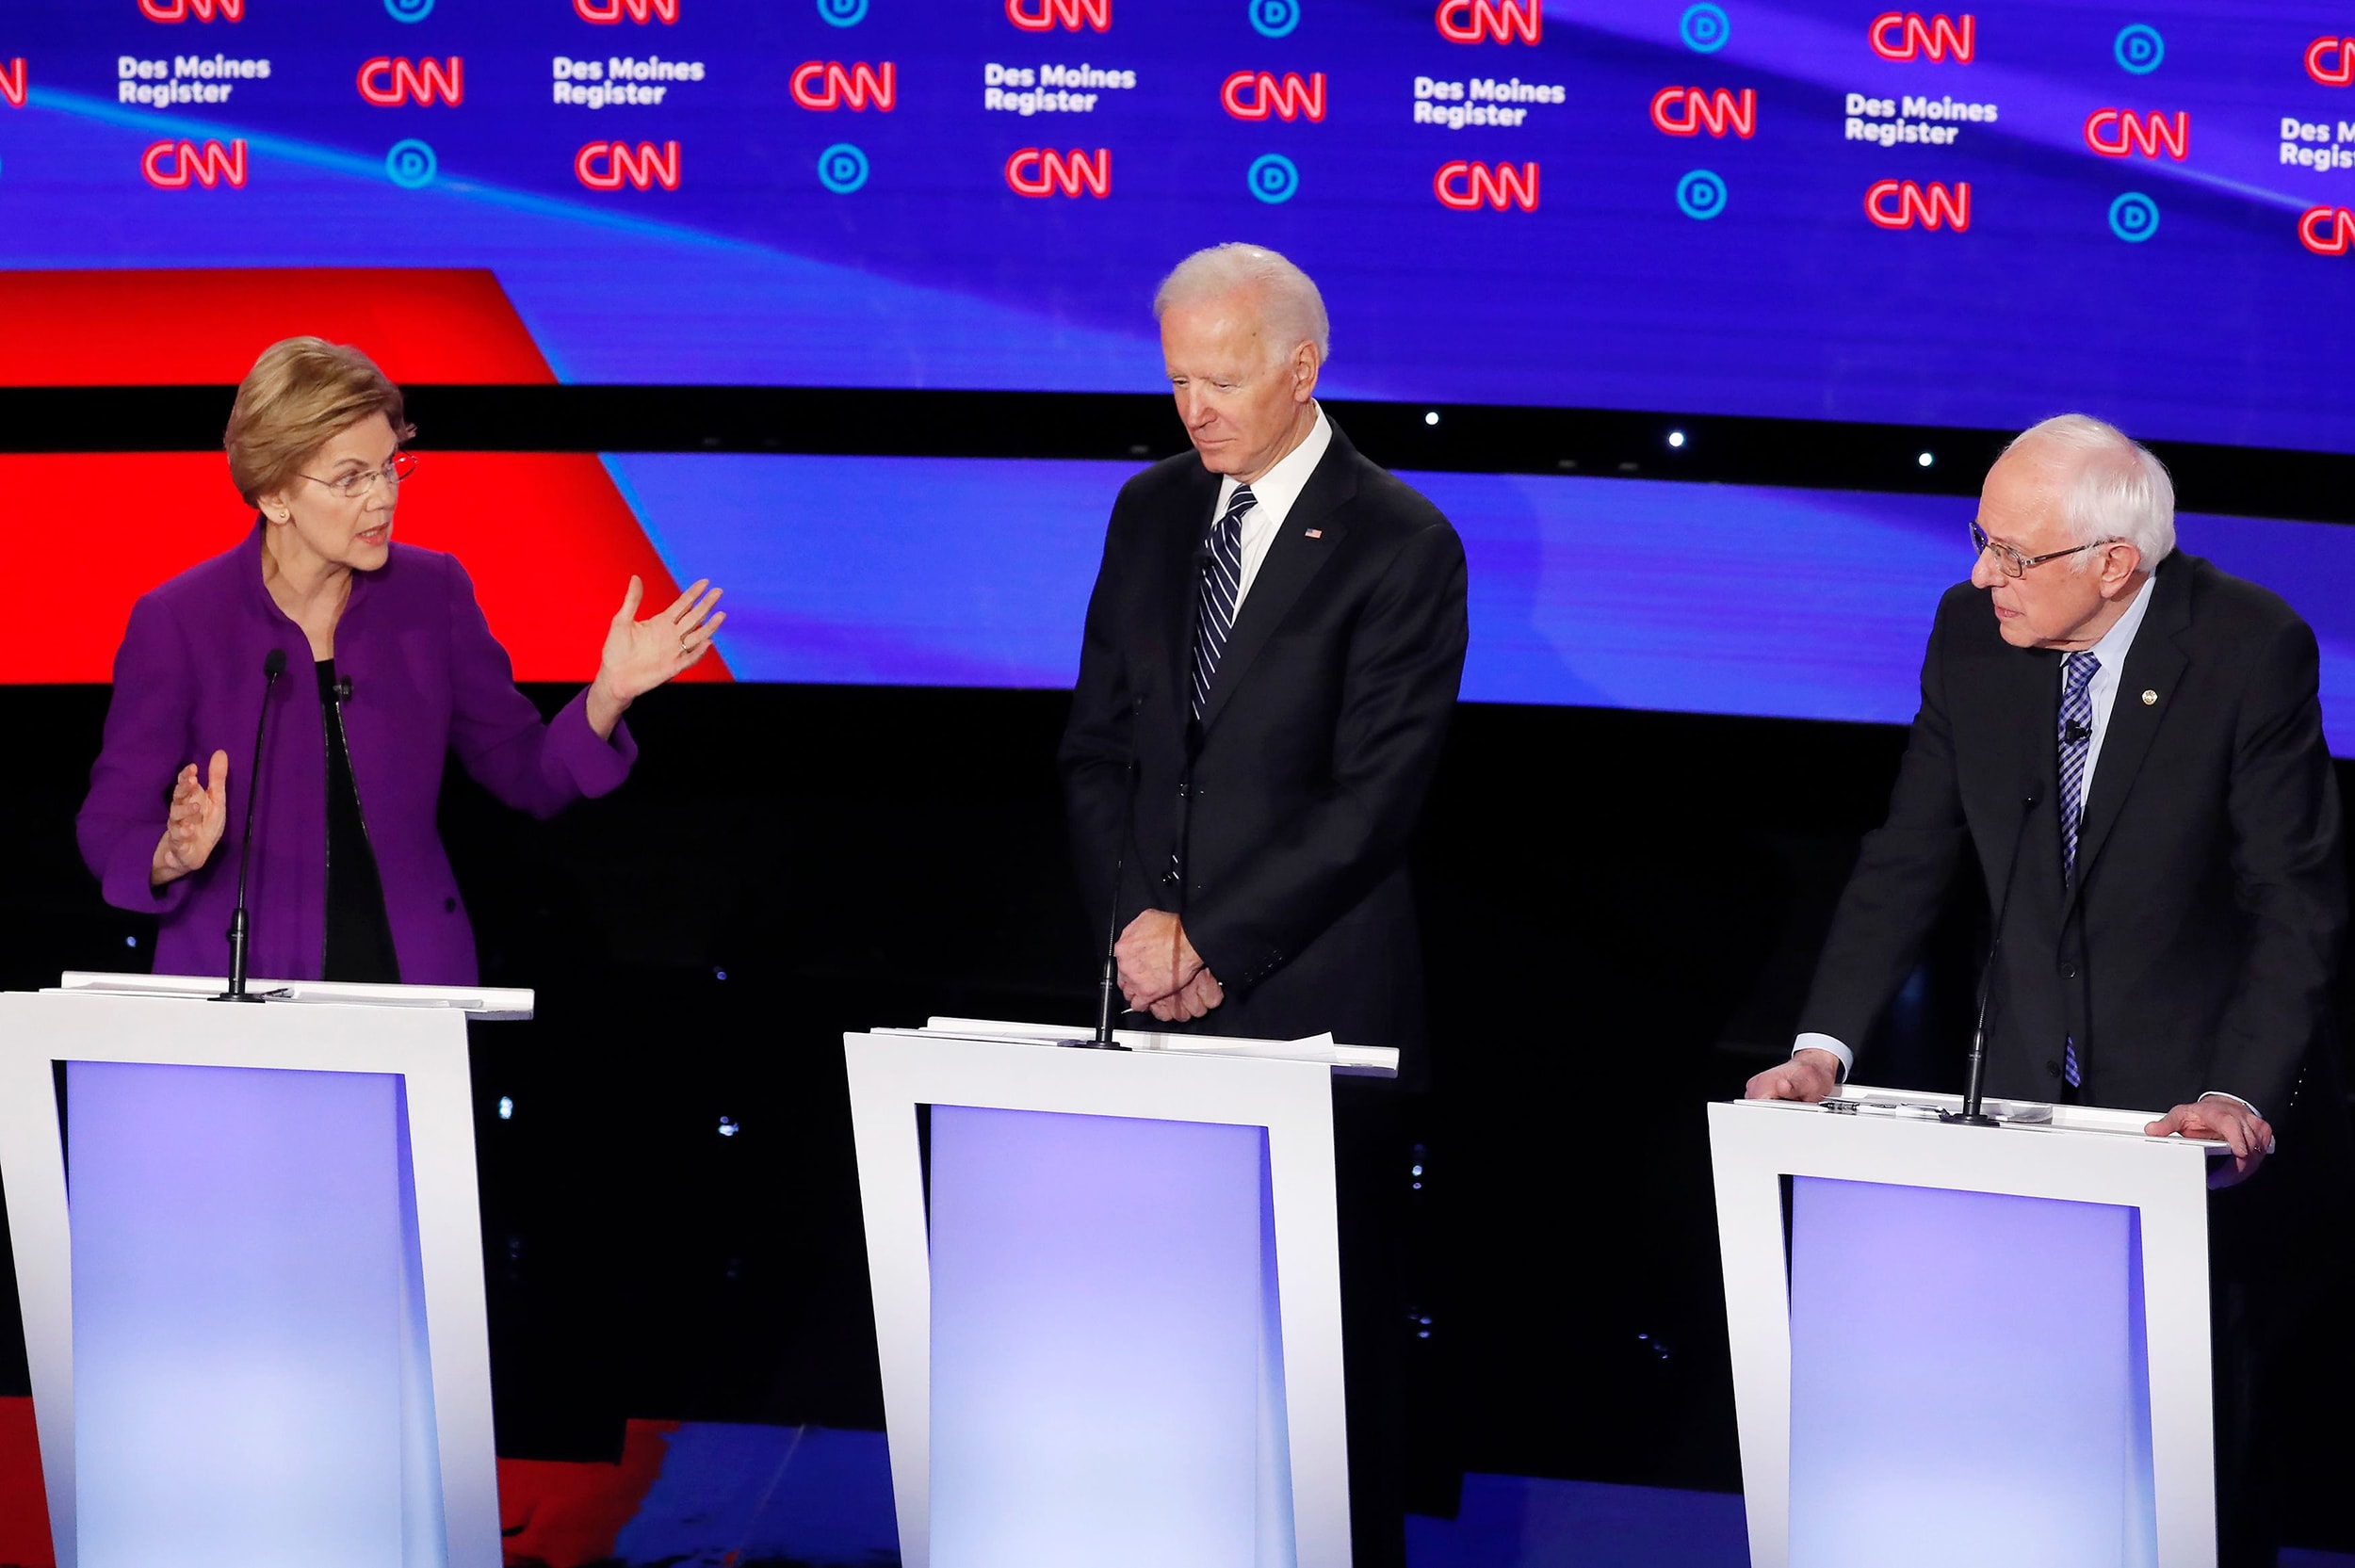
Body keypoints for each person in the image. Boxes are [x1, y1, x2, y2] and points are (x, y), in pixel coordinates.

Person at [1747, 413, 2347, 1566]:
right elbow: (1907, 856)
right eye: (1979, 539)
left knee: (2190, 1464)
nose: (1982, 575)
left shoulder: (2245, 645)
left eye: (2012, 553)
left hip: (2195, 1120)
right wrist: (1825, 1045)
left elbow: (2294, 903)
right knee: (2025, 1438)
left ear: (2113, 562)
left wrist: (2235, 1095)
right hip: (2023, 1104)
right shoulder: (1971, 635)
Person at [1058, 243, 1469, 1568]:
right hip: (1146, 996)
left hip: (1310, 1007)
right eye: (1177, 379)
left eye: (1222, 379)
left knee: (1320, 1348)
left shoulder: (1403, 542)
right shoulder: (1149, 510)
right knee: (1158, 1332)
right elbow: (1100, 748)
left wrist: (1216, 946)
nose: (1194, 408)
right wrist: (1138, 927)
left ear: (1304, 368)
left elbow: (1373, 803)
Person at [77, 336, 724, 986]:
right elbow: (107, 824)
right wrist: (169, 852)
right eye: (351, 478)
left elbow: (527, 771)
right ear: (275, 497)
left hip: (408, 988)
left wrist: (607, 695)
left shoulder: (432, 593)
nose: (383, 497)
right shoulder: (181, 620)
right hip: (237, 994)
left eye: (390, 466)